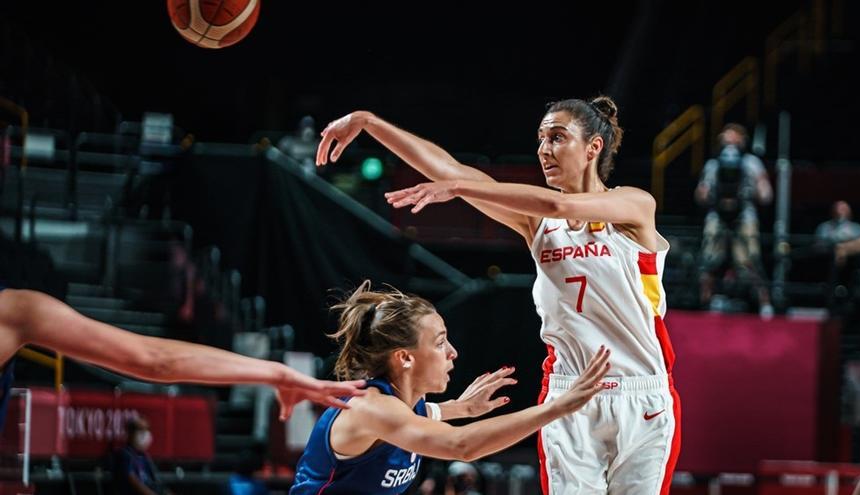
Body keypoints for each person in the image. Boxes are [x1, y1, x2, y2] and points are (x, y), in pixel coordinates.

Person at [316, 97, 679, 495]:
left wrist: (459, 188)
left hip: (641, 393)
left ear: (593, 147)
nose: (544, 150)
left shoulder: (635, 205)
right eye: (541, 139)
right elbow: (449, 169)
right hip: (569, 391)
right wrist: (369, 122)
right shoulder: (537, 225)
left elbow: (557, 203)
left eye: (558, 138)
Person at [289, 281, 610, 494]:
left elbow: (421, 415)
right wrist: (556, 408)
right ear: (404, 358)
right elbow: (461, 446)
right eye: (440, 342)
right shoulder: (371, 407)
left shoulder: (402, 406)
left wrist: (461, 408)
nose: (452, 352)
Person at [0, 287, 366, 431]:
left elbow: (155, 360)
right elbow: (153, 360)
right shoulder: (14, 310)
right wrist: (277, 374)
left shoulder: (15, 311)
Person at [693, 123, 774, 318]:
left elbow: (766, 195)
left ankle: (765, 305)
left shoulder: (752, 163)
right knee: (709, 260)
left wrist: (758, 188)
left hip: (744, 214)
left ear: (742, 140)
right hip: (717, 215)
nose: (729, 143)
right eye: (725, 139)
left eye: (733, 139)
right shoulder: (712, 165)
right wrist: (704, 193)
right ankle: (706, 302)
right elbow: (701, 195)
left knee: (749, 260)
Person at [112, 417, 170, 495]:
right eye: (140, 430)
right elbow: (133, 481)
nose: (145, 434)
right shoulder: (124, 455)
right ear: (130, 433)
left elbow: (154, 482)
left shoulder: (144, 457)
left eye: (146, 430)